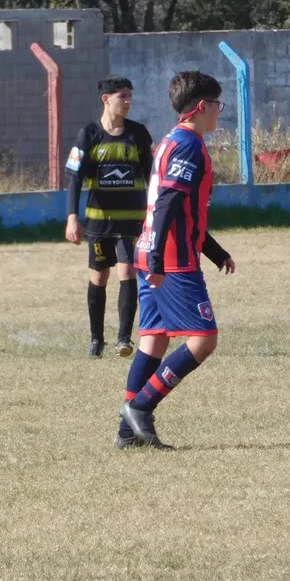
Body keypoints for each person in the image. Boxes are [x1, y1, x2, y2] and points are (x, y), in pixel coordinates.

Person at [116, 71, 237, 449]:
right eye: (217, 105)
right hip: (170, 258)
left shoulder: (170, 140)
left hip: (152, 249)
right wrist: (157, 258)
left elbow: (181, 207)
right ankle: (141, 407)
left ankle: (126, 434)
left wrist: (213, 250)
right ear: (201, 107)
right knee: (204, 339)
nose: (220, 111)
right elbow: (168, 200)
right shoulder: (188, 145)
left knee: (153, 339)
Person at [65, 75, 153, 359]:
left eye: (129, 96)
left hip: (131, 222)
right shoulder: (88, 135)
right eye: (122, 96)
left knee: (127, 272)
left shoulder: (138, 134)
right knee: (99, 277)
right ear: (106, 99)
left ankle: (124, 339)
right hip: (99, 223)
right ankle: (96, 339)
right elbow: (75, 180)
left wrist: (155, 212)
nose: (128, 102)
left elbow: (152, 176)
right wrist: (72, 218)